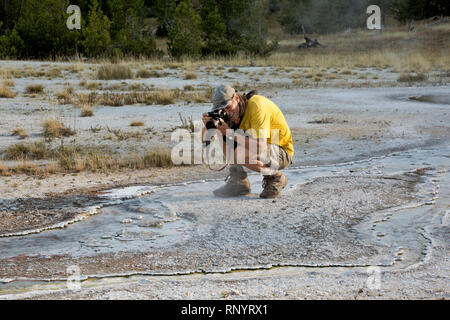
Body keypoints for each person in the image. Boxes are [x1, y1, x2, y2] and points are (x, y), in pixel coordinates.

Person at [202, 85, 294, 198]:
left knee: (239, 152)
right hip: (258, 146)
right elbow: (204, 139)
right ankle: (239, 181)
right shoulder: (232, 112)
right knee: (223, 133)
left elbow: (260, 147)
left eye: (228, 107)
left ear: (236, 98)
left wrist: (229, 133)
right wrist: (208, 125)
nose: (227, 112)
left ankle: (276, 177)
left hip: (281, 152)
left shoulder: (257, 106)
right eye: (222, 109)